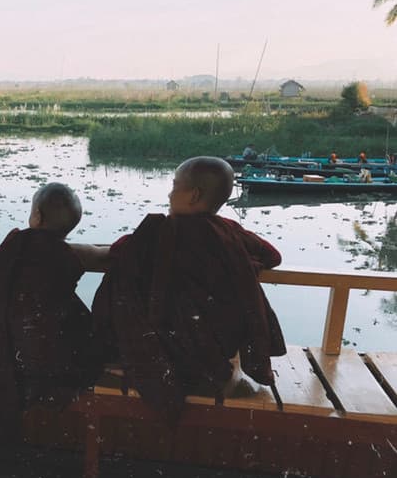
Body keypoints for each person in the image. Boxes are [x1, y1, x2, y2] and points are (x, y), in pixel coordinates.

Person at [92, 156, 286, 422]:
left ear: (193, 195)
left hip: (163, 349)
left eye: (174, 187)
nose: (169, 194)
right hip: (217, 350)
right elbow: (273, 256)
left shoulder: (156, 232)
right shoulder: (228, 232)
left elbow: (117, 252)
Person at [0, 182, 103, 437]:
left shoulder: (15, 244)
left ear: (36, 216)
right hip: (44, 351)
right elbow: (96, 255)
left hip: (2, 347)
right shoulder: (67, 253)